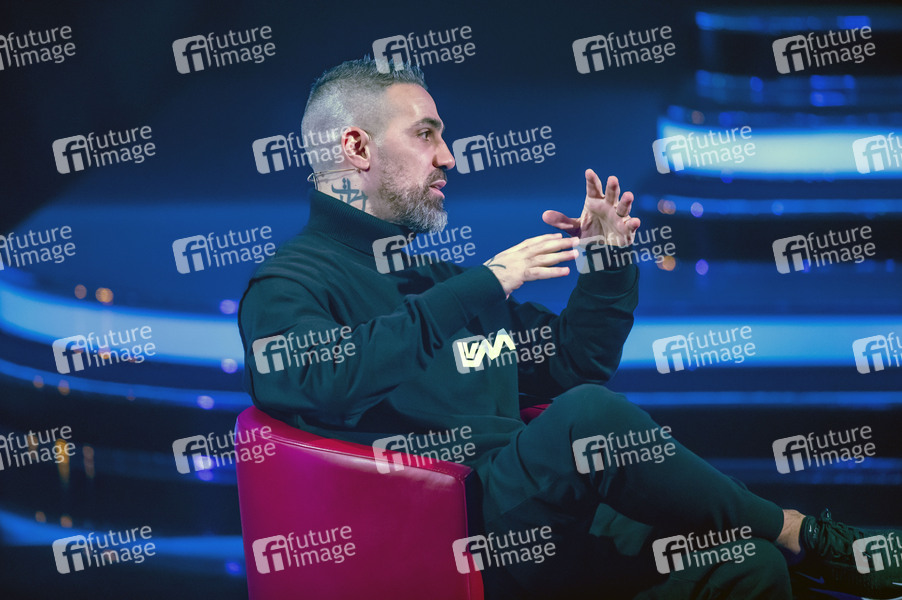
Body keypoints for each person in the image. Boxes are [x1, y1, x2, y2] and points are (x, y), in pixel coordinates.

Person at [238, 57, 901, 599]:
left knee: (745, 567)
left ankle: (789, 545)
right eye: (426, 134)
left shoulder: (437, 279)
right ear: (357, 146)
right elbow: (319, 380)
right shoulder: (290, 283)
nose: (448, 157)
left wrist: (606, 264)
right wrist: (483, 284)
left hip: (538, 515)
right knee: (587, 417)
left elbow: (573, 363)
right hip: (446, 533)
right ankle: (804, 533)